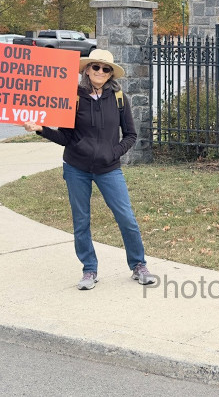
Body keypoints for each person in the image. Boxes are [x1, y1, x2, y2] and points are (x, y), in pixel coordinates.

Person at [24, 49, 156, 290]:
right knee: (81, 220)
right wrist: (41, 129)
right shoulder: (73, 97)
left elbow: (130, 135)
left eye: (106, 69)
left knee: (126, 217)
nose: (100, 72)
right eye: (96, 67)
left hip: (109, 169)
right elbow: (65, 137)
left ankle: (138, 265)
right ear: (87, 70)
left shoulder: (119, 98)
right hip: (76, 168)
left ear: (110, 74)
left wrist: (112, 153)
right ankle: (89, 269)